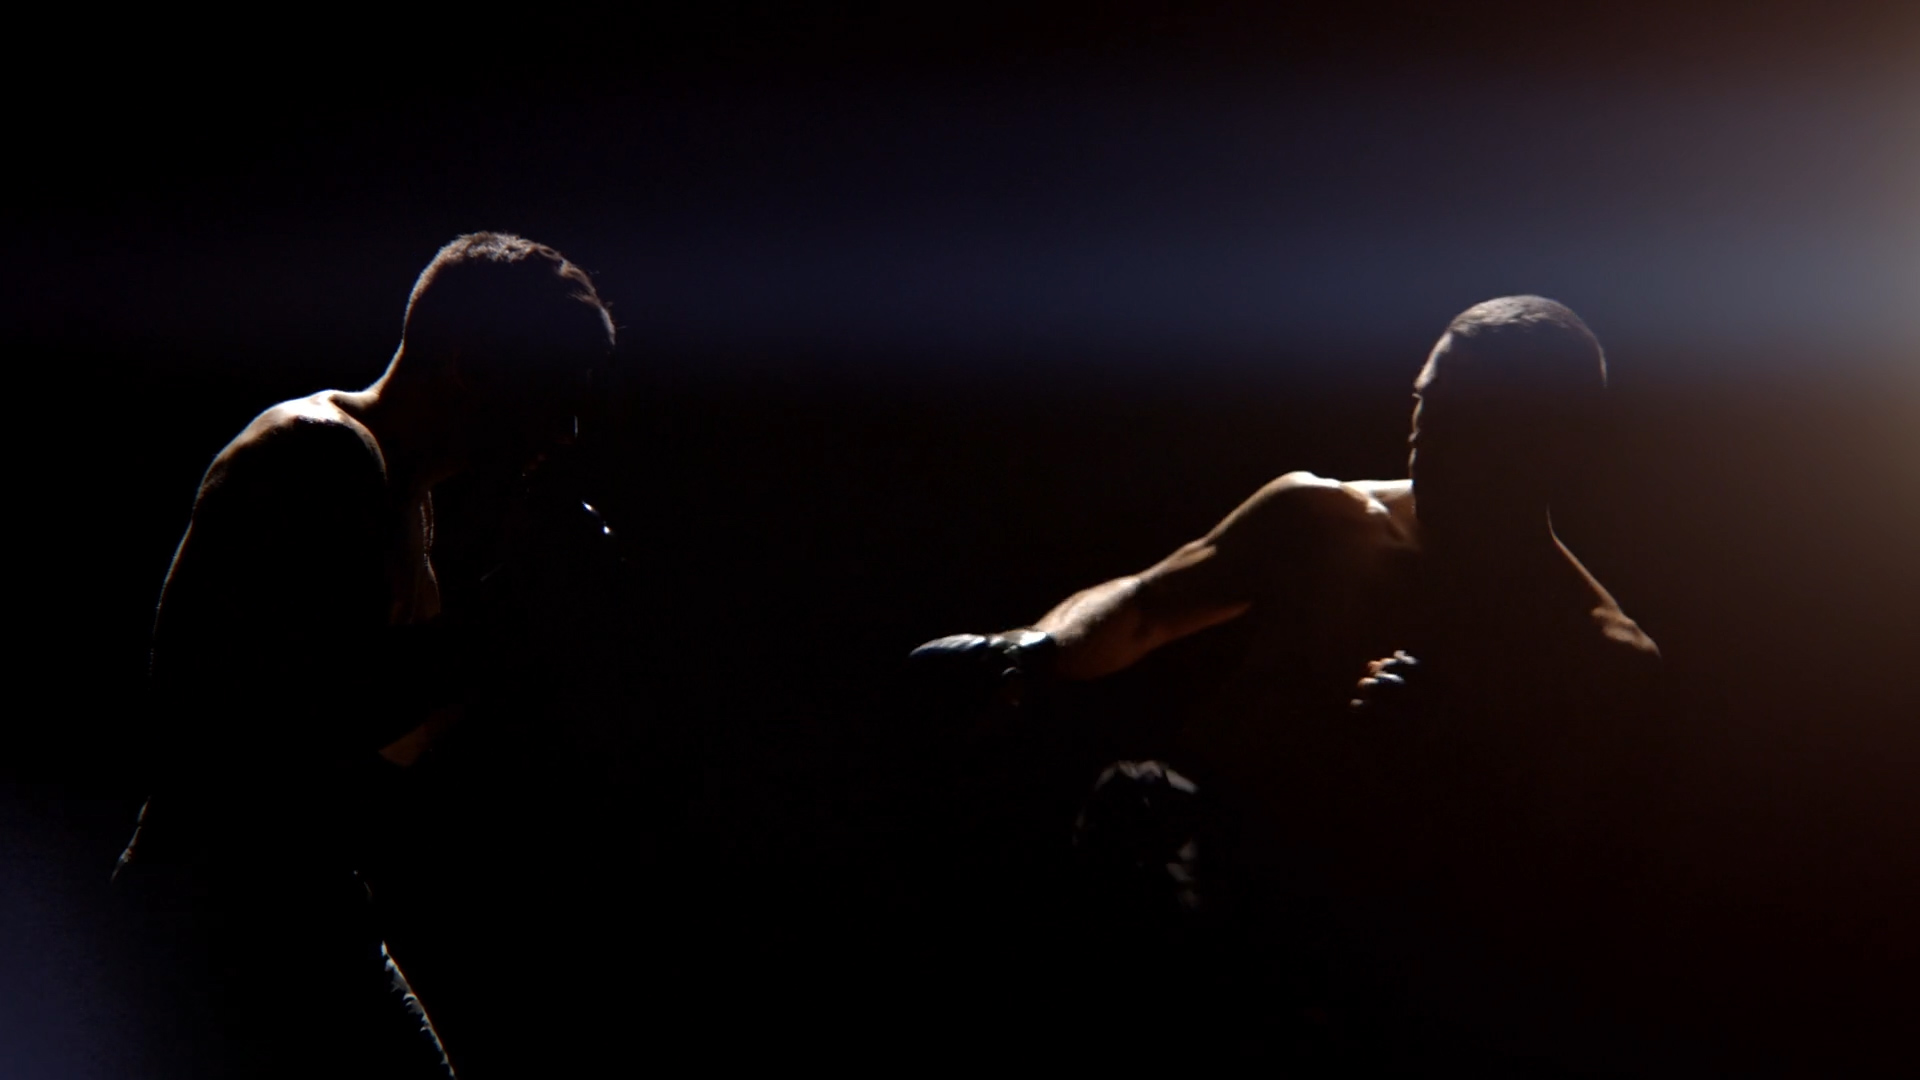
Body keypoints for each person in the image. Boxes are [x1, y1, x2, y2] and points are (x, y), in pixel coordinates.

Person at [912, 295, 1662, 1063]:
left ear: (1550, 443)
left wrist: (1457, 765)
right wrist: (1029, 650)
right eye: (1427, 401)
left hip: (1350, 988)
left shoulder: (1597, 655)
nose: (1428, 433)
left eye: (1471, 419)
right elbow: (1145, 604)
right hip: (1178, 882)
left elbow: (1558, 899)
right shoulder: (1324, 519)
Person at [112, 233, 617, 1079]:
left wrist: (527, 632)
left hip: (281, 902)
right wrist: (506, 618)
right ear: (469, 363)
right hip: (222, 911)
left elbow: (390, 746)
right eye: (554, 388)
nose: (564, 430)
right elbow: (309, 716)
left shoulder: (402, 497)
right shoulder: (320, 453)